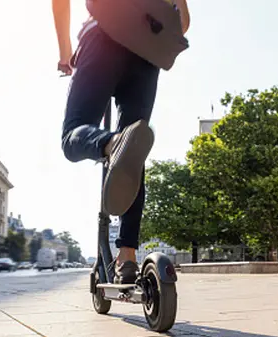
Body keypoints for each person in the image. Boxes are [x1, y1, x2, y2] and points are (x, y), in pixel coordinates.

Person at [52, 0, 190, 284]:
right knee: (133, 155)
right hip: (148, 51)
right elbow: (182, 22)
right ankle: (127, 256)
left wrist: (66, 52)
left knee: (73, 136)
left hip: (103, 35)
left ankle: (112, 143)